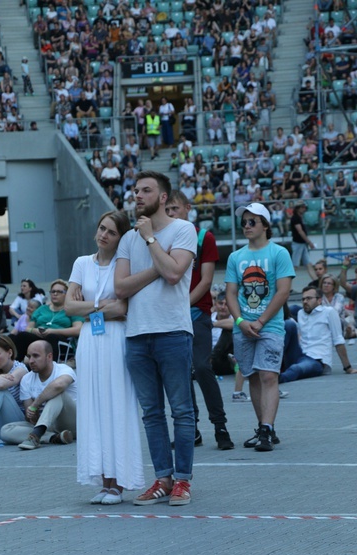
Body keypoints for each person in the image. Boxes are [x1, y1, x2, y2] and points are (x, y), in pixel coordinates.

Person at [115, 171, 197, 506]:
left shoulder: (183, 230)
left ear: (163, 197)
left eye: (146, 191)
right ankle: (162, 477)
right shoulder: (127, 239)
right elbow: (121, 288)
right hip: (137, 335)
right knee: (151, 412)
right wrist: (156, 267)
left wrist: (151, 240)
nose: (137, 196)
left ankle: (182, 480)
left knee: (181, 410)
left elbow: (176, 274)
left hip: (173, 332)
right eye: (135, 191)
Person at [65, 211, 144, 505]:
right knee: (93, 407)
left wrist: (91, 307)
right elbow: (69, 307)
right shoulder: (82, 263)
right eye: (101, 229)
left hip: (115, 339)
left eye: (111, 232)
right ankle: (102, 479)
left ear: (120, 237)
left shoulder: (124, 267)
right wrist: (100, 305)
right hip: (89, 340)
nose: (103, 235)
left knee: (116, 405)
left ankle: (118, 482)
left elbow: (122, 308)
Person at [165, 191, 234, 450]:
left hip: (196, 314)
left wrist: (181, 305)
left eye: (175, 209)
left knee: (202, 368)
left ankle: (220, 425)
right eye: (168, 210)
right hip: (171, 317)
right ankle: (190, 430)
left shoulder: (204, 237)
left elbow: (206, 280)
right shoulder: (161, 240)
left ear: (187, 208)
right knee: (180, 373)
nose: (171, 214)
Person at [225, 203, 295, 451]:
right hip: (243, 327)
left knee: (268, 375)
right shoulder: (236, 257)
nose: (246, 226)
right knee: (253, 376)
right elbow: (231, 293)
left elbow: (283, 291)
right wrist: (241, 322)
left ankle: (266, 428)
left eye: (252, 221)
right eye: (244, 222)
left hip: (271, 326)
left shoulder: (279, 253)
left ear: (265, 225)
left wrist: (261, 320)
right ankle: (265, 427)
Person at [0, 341, 77, 450]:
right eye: (29, 356)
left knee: (58, 393)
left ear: (49, 357)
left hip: (71, 422)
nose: (31, 361)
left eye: (36, 356)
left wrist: (36, 403)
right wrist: (31, 414)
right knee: (5, 430)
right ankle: (53, 438)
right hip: (48, 426)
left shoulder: (63, 369)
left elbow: (58, 385)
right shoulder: (27, 379)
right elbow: (30, 416)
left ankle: (36, 436)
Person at [279, 287, 357, 382]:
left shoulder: (329, 312)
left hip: (316, 360)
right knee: (288, 324)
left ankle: (275, 380)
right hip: (298, 354)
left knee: (296, 369)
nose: (305, 301)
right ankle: (271, 367)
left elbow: (338, 340)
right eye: (303, 299)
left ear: (319, 300)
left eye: (309, 298)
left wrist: (347, 367)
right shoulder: (300, 313)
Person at [10, 279, 83, 362]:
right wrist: (35, 330)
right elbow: (28, 328)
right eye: (53, 291)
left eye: (59, 291)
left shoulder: (72, 309)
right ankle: (16, 365)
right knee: (22, 335)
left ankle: (51, 368)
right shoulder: (41, 309)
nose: (55, 294)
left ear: (66, 294)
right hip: (39, 337)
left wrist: (53, 331)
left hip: (60, 340)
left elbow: (78, 329)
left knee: (51, 337)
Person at [290, 200, 316, 280]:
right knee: (294, 266)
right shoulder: (295, 218)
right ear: (298, 208)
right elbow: (300, 231)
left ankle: (316, 281)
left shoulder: (299, 218)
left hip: (302, 243)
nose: (304, 209)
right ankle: (288, 286)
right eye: (302, 207)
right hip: (298, 243)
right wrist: (309, 242)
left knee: (308, 263)